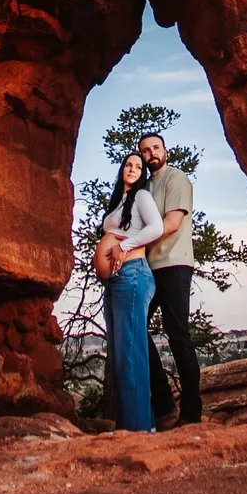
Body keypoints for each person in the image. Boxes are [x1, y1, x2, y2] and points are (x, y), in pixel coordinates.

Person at [139, 130, 205, 428]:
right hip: (148, 268)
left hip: (174, 264)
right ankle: (163, 403)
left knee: (178, 334)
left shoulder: (175, 179)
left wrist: (134, 245)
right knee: (136, 329)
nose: (151, 153)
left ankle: (191, 413)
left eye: (156, 148)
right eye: (145, 150)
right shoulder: (143, 188)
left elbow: (172, 223)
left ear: (165, 150)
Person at [94, 150, 162, 432]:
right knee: (122, 357)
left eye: (138, 166)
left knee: (131, 354)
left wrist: (121, 247)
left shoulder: (142, 197)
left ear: (142, 172)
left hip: (133, 276)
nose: (133, 168)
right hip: (116, 280)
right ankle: (130, 426)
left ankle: (140, 430)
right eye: (128, 164)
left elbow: (156, 227)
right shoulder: (119, 202)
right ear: (122, 169)